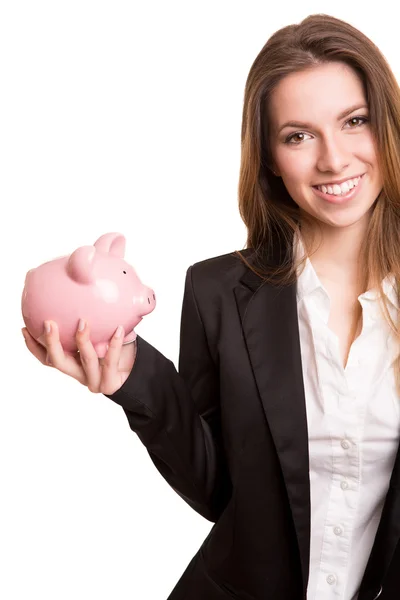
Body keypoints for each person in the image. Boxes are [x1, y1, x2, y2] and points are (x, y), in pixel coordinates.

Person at [21, 12, 400, 600]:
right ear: (271, 157)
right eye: (298, 135)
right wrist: (133, 382)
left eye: (355, 122)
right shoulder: (218, 292)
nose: (333, 159)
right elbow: (224, 494)